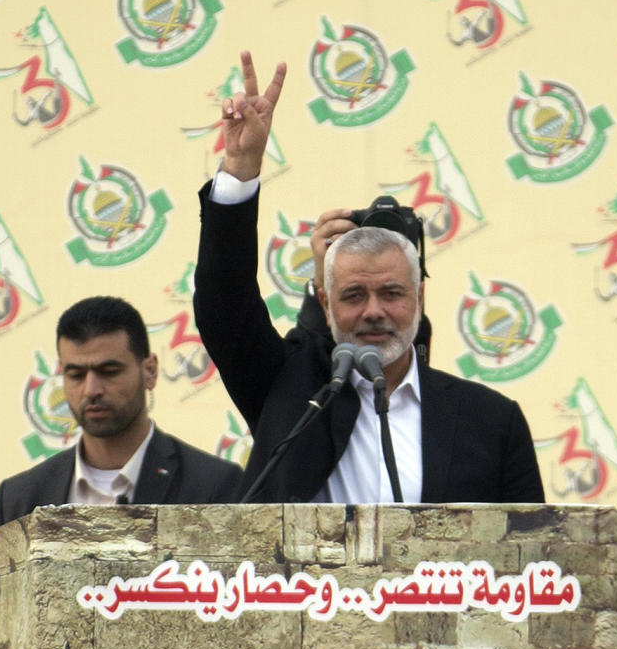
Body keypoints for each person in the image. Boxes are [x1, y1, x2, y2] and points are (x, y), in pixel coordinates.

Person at [193, 50, 545, 506]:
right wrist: (241, 170)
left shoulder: (493, 422)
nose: (374, 311)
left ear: (419, 299)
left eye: (392, 293)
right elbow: (224, 305)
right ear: (324, 303)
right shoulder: (290, 391)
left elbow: (538, 560)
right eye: (353, 294)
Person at [0, 295, 241, 638]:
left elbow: (237, 622)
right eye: (76, 374)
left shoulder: (213, 486)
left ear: (150, 371)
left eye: (108, 371)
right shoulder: (21, 497)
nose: (91, 389)